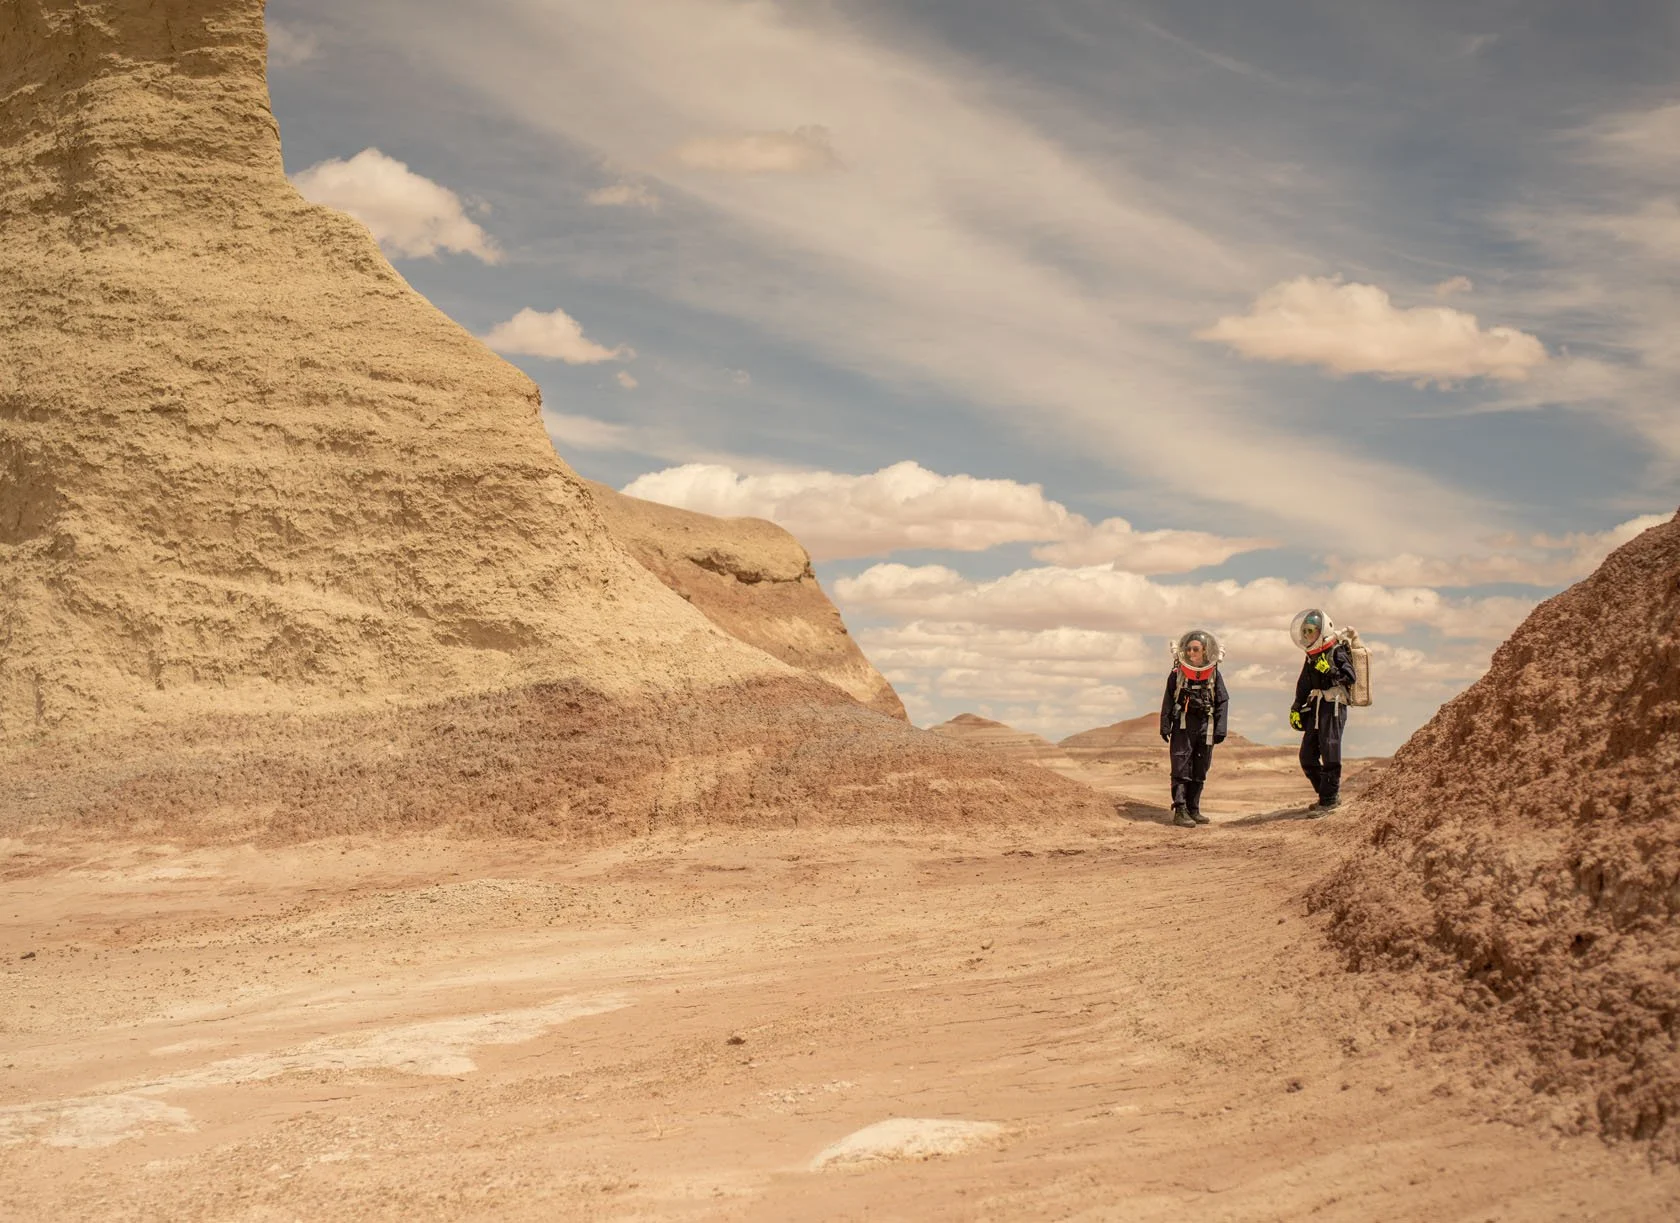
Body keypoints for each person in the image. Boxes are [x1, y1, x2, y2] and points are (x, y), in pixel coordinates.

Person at [1288, 608, 1358, 815]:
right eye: (1305, 631)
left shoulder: (1337, 651)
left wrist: (1330, 670)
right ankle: (1326, 795)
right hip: (1316, 706)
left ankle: (1329, 800)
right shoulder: (1311, 656)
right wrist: (1295, 707)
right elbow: (1303, 684)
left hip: (1333, 704)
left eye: (1310, 631)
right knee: (1307, 756)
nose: (1307, 635)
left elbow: (1350, 677)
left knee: (1330, 750)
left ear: (1322, 631)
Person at [1159, 629, 1229, 828]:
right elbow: (1168, 700)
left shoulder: (1214, 674)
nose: (1191, 653)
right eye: (1188, 649)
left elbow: (1222, 700)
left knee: (1201, 766)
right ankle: (1180, 809)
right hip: (1183, 724)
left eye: (1195, 649)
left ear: (1205, 651)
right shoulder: (1177, 675)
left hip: (1205, 725)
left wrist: (1220, 728)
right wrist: (1165, 725)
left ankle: (1193, 808)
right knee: (1181, 764)